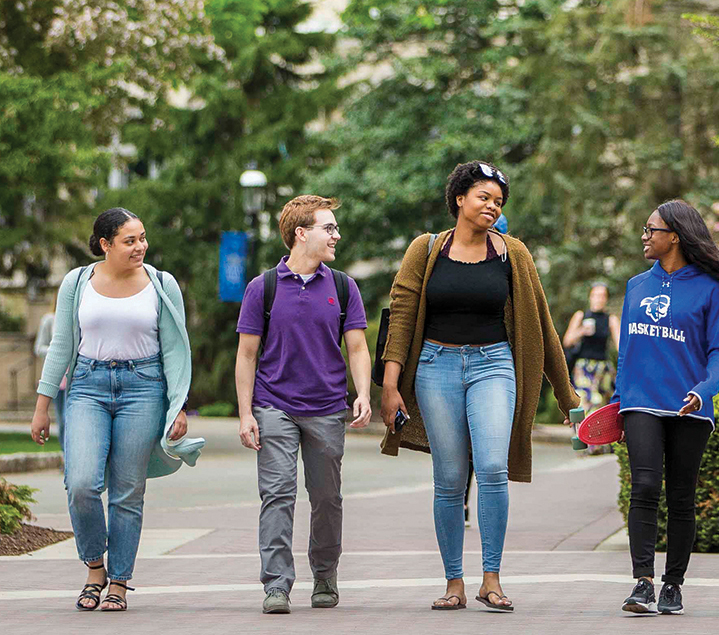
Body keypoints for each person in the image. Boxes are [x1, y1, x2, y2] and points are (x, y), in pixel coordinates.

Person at [378, 161, 580, 613]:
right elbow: (403, 315)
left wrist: (567, 397)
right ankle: (454, 582)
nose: (492, 206)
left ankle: (492, 578)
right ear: (459, 200)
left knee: (491, 467)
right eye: (484, 197)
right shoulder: (425, 249)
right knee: (449, 480)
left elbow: (542, 327)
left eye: (498, 201)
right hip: (434, 366)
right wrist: (390, 387)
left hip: (494, 365)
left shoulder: (513, 253)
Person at [30, 207, 203, 612]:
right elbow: (60, 346)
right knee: (82, 483)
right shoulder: (76, 282)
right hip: (87, 387)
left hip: (143, 389)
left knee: (127, 492)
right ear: (105, 244)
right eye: (130, 240)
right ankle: (95, 567)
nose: (140, 246)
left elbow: (176, 351)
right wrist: (42, 407)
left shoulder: (162, 284)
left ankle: (119, 582)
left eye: (142, 238)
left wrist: (179, 407)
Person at [613, 200, 719, 615]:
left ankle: (672, 585)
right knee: (643, 487)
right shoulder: (636, 286)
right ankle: (641, 581)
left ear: (674, 235)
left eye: (651, 229)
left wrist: (704, 390)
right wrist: (617, 402)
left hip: (689, 407)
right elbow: (627, 350)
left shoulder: (711, 289)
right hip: (640, 402)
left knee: (680, 496)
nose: (644, 235)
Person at [234, 195, 372, 615]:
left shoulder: (344, 287)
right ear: (301, 233)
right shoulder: (264, 287)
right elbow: (246, 355)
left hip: (328, 407)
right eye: (328, 228)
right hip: (274, 405)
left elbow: (358, 347)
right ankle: (276, 585)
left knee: (327, 497)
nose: (336, 235)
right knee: (277, 495)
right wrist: (245, 413)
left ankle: (325, 575)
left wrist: (362, 392)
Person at [562, 283, 621, 423]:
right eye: (596, 295)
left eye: (602, 296)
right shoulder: (581, 315)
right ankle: (584, 440)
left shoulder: (611, 319)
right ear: (590, 297)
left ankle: (600, 443)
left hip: (603, 369)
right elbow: (567, 341)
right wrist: (582, 331)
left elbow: (620, 345)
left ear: (606, 299)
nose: (599, 299)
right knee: (585, 402)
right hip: (584, 367)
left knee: (603, 405)